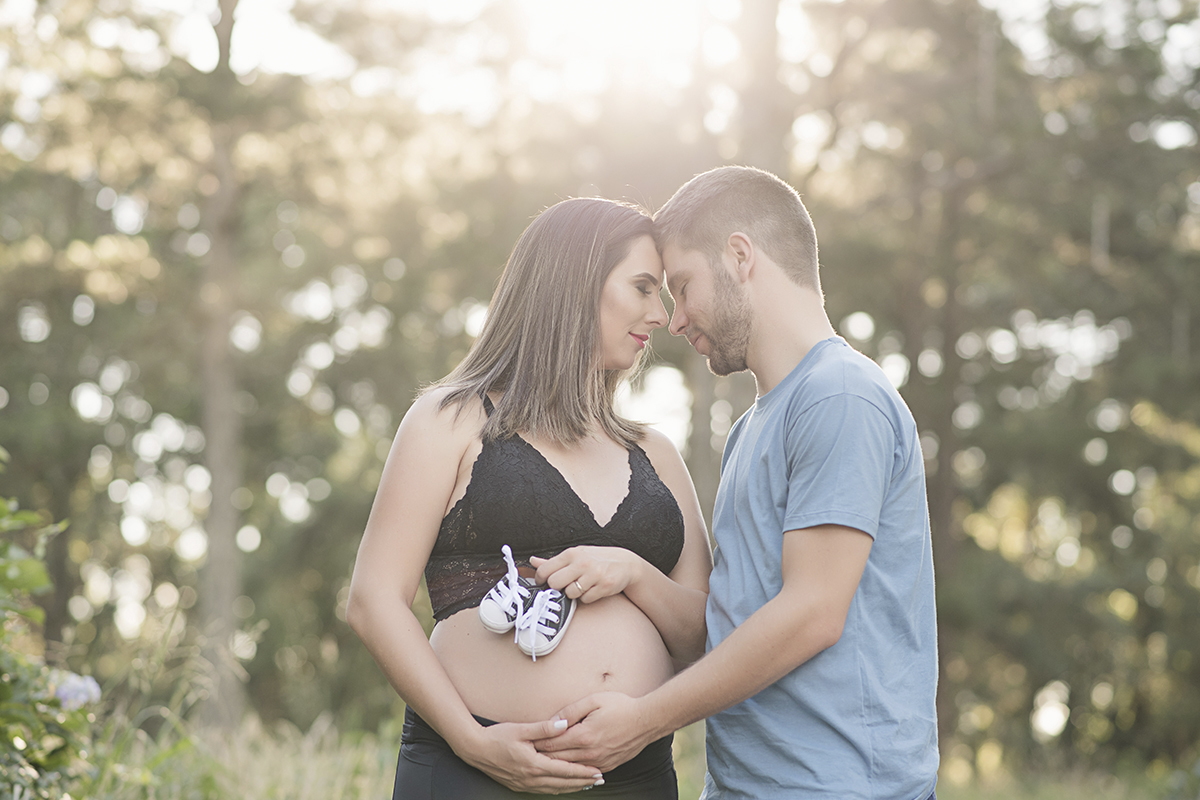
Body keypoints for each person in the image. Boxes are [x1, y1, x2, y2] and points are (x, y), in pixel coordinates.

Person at [538, 166, 940, 800]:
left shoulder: (839, 396)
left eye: (682, 286)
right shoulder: (756, 424)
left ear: (740, 256)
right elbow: (731, 623)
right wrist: (634, 574)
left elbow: (812, 613)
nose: (674, 320)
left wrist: (643, 721)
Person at [346, 196, 713, 799]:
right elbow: (373, 601)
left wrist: (634, 572)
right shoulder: (450, 420)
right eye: (643, 288)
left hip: (632, 777)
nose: (661, 314)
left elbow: (702, 637)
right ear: (576, 283)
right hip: (472, 770)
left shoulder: (658, 454)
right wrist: (471, 742)